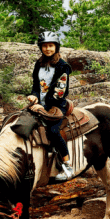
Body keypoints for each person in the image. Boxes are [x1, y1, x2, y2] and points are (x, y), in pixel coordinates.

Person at [27, 31, 73, 182]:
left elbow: (60, 91)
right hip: (39, 104)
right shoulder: (39, 64)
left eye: (51, 46)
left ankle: (67, 165)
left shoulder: (63, 66)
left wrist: (43, 107)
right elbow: (35, 85)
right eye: (45, 46)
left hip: (57, 104)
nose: (47, 49)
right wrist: (33, 95)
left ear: (56, 47)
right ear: (41, 47)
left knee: (53, 131)